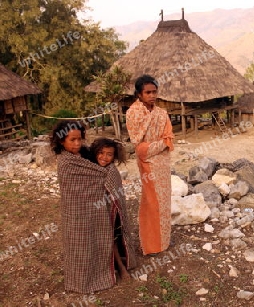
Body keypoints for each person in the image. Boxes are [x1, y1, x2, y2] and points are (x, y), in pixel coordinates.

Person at [51, 120, 136, 293]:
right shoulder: (66, 163)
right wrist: (105, 174)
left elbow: (103, 167)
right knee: (82, 244)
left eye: (79, 139)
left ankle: (114, 266)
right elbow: (89, 180)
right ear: (61, 141)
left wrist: (108, 172)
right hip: (77, 212)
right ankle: (86, 278)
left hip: (99, 207)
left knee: (106, 235)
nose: (77, 143)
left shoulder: (85, 154)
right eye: (72, 140)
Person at [125, 74, 174, 256]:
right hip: (147, 165)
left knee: (164, 201)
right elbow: (139, 147)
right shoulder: (133, 113)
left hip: (163, 164)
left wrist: (156, 146)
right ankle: (149, 244)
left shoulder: (162, 113)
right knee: (151, 202)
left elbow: (169, 137)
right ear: (139, 94)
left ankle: (163, 242)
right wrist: (161, 145)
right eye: (148, 92)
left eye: (154, 92)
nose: (152, 96)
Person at [90, 137, 136, 280]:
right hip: (93, 213)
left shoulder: (111, 171)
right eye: (101, 153)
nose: (104, 157)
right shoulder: (89, 168)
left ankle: (121, 268)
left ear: (114, 156)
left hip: (110, 212)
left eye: (109, 154)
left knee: (112, 239)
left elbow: (117, 193)